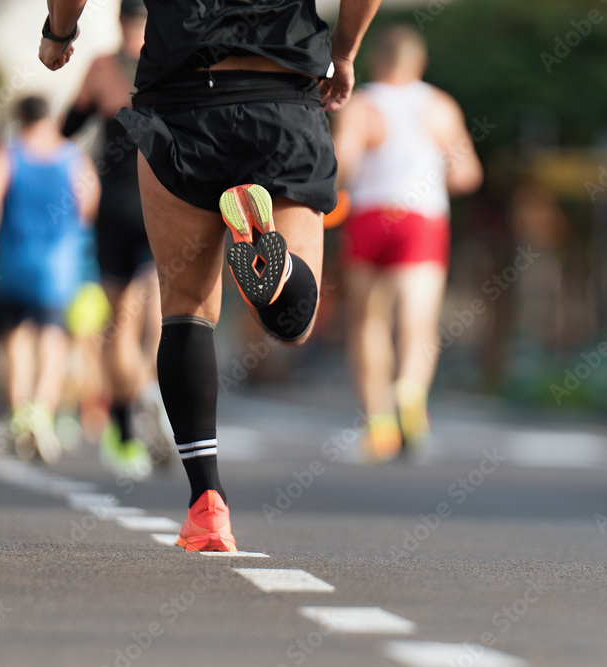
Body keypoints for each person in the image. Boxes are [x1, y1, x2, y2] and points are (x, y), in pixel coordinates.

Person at [38, 0, 382, 551]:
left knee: (187, 307)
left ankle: (207, 507)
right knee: (292, 322)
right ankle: (275, 259)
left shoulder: (105, 65)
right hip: (283, 96)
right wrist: (342, 51)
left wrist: (59, 31)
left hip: (181, 103)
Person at [331, 24, 483, 463]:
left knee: (368, 321)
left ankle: (378, 421)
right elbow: (467, 174)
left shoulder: (362, 106)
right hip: (422, 218)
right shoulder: (439, 106)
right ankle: (410, 393)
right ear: (420, 63)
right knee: (418, 320)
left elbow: (343, 166)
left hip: (370, 215)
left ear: (377, 61)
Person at [61, 0, 171, 480]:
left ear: (118, 21)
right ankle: (149, 390)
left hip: (114, 206)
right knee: (159, 313)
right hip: (161, 204)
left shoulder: (102, 68)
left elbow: (68, 127)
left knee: (118, 327)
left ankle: (124, 428)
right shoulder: (170, 64)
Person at [0, 95, 100, 464]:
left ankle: (18, 415)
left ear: (19, 119)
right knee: (52, 340)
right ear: (49, 117)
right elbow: (89, 200)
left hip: (14, 258)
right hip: (58, 265)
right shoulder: (72, 155)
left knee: (17, 338)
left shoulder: (8, 153)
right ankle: (41, 413)